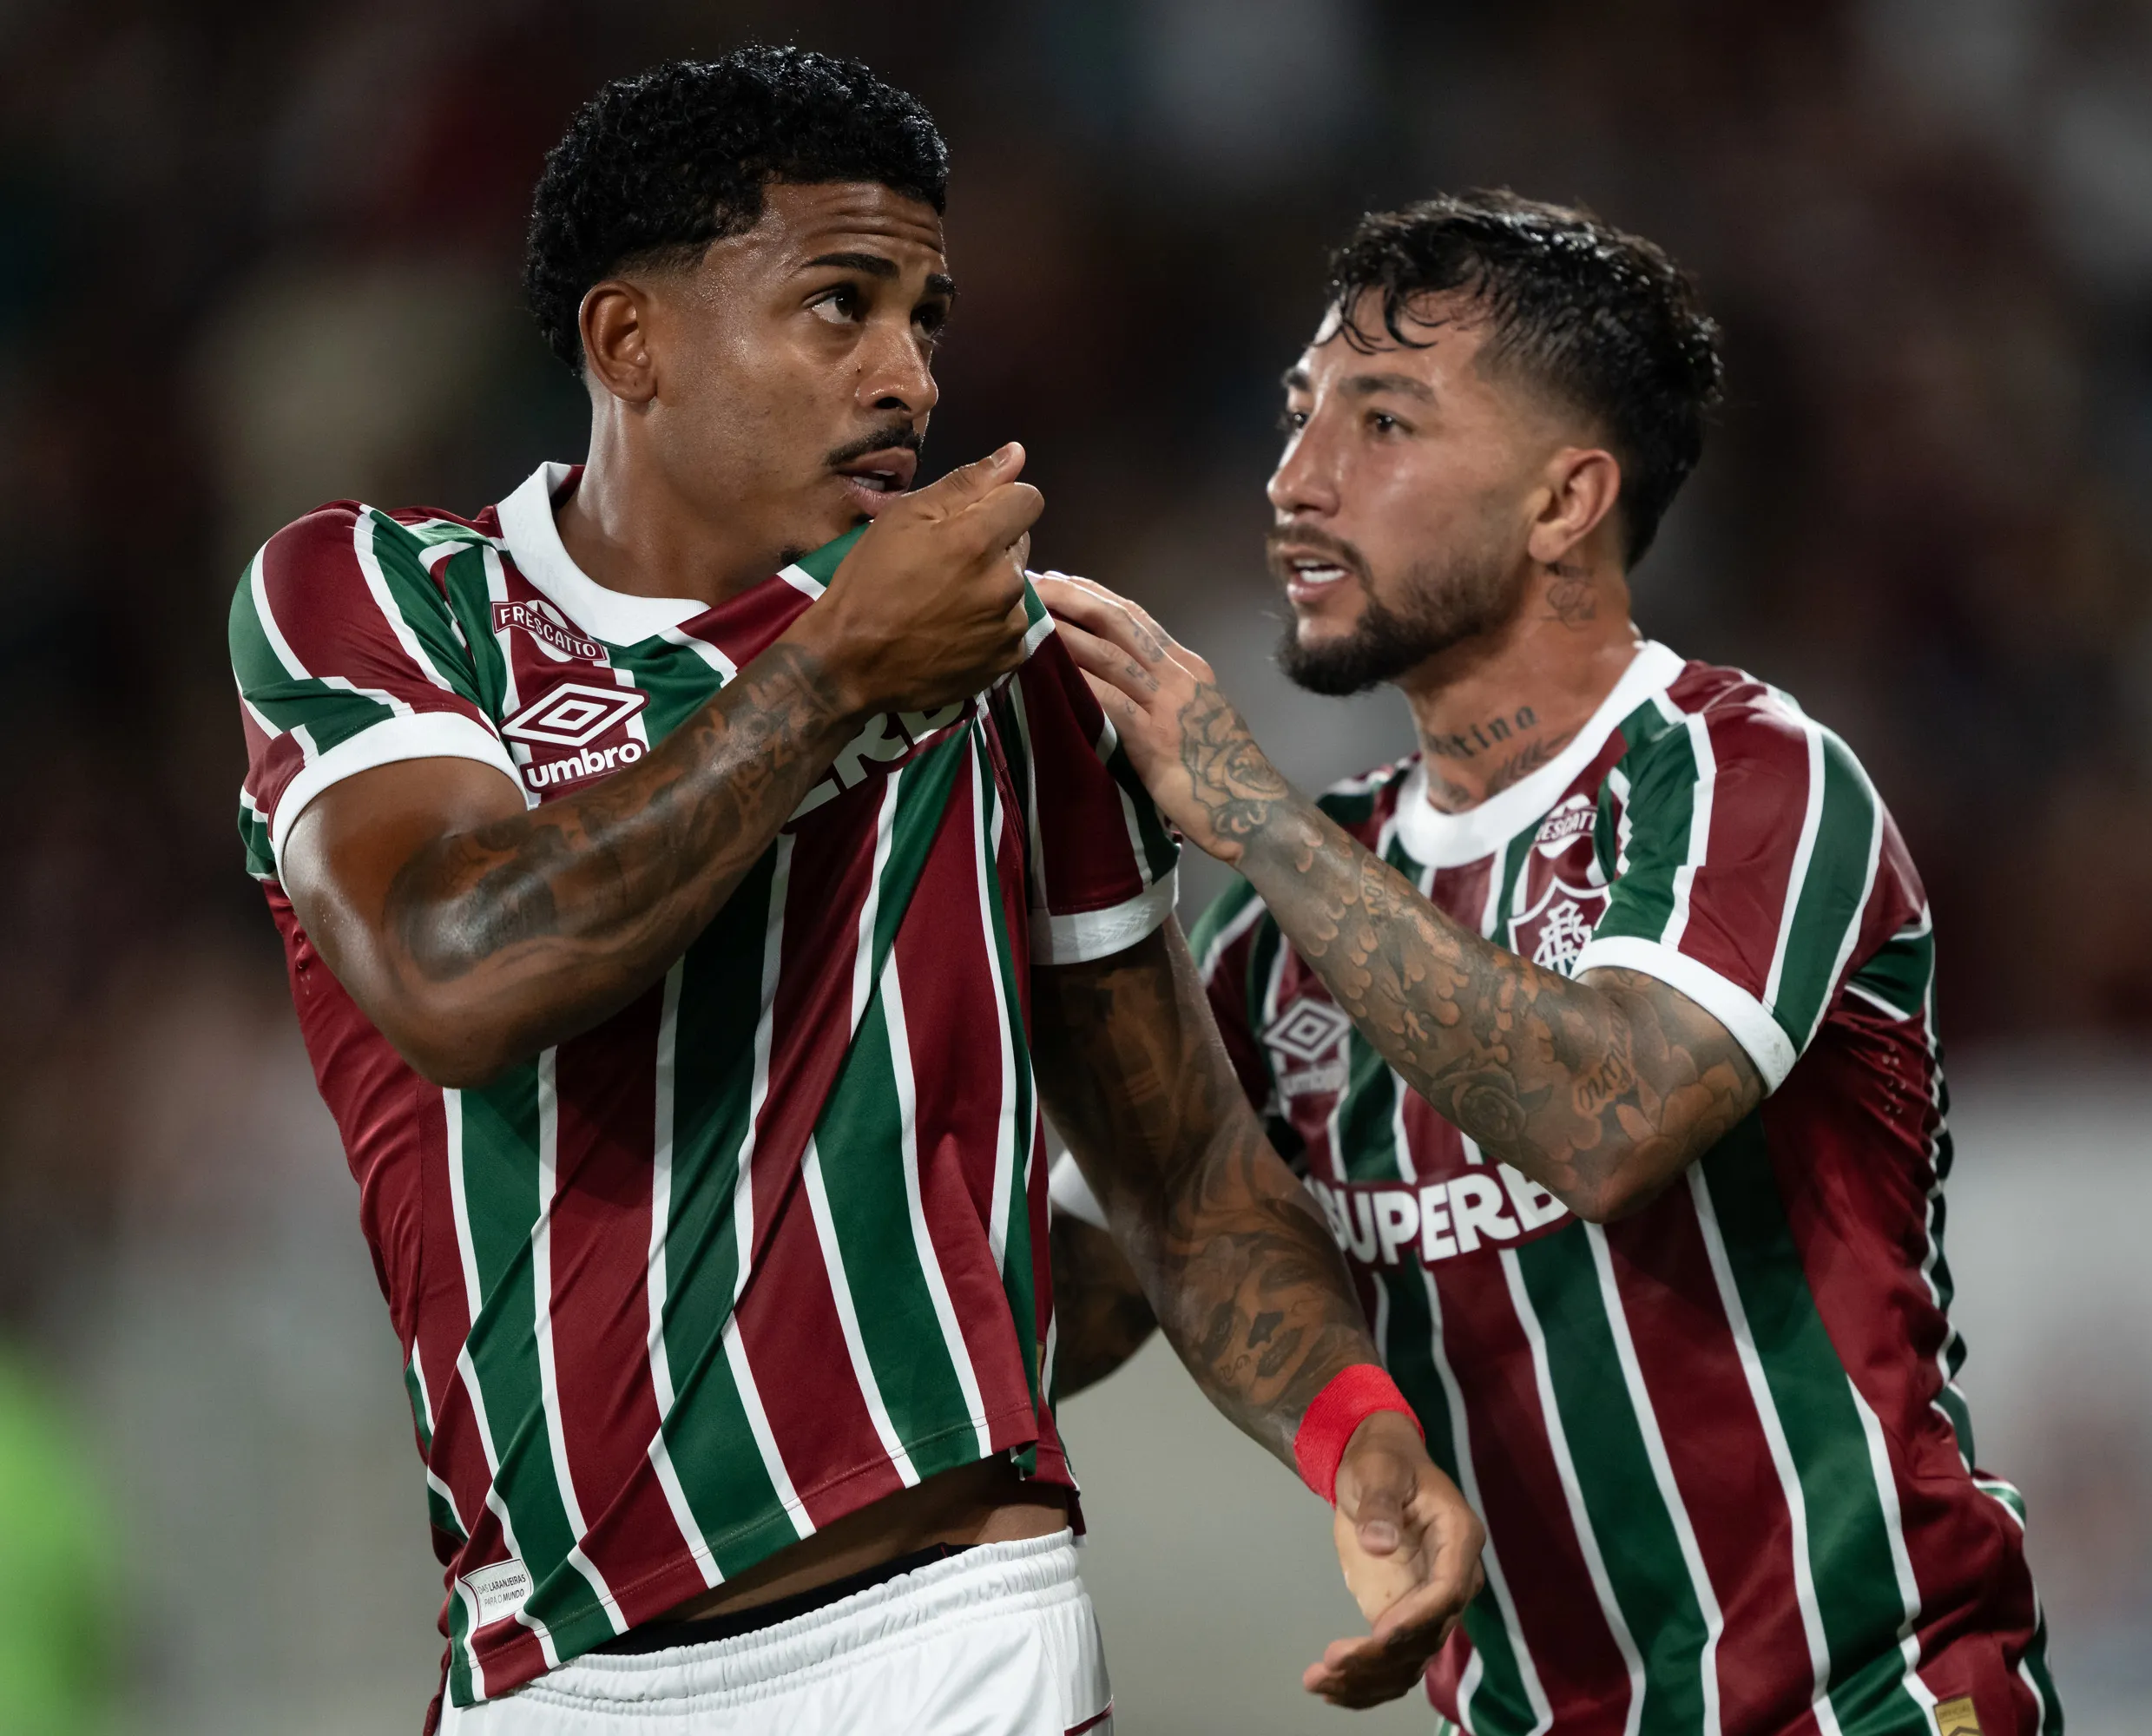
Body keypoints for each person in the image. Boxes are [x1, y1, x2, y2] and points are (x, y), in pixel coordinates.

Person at [228, 49, 1480, 1733]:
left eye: (928, 317)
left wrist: (1354, 1432)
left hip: (946, 1634)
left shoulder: (999, 660)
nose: (906, 375)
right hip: (546, 1663)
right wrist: (831, 677)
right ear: (631, 343)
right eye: (840, 304)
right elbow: (454, 968)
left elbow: (1170, 1158)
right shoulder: (383, 597)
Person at [1039, 192, 2061, 1736]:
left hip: (1870, 1705)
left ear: (1565, 500)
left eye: (1383, 425)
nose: (1295, 484)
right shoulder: (1289, 922)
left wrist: (1240, 809)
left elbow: (1611, 1119)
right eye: (1298, 415)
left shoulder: (1739, 776)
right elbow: (1097, 1291)